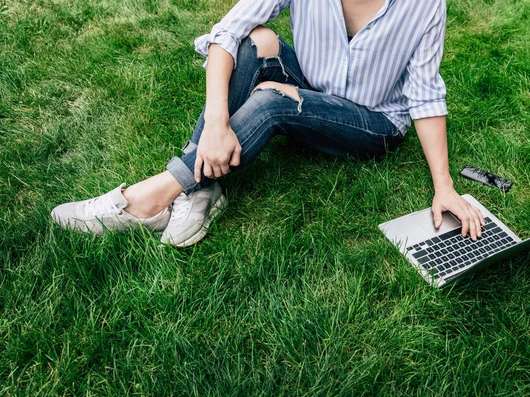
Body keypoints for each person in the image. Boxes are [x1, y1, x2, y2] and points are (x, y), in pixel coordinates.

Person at [51, 0, 485, 247]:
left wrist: (444, 186)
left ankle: (147, 199)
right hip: (311, 81)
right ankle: (200, 189)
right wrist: (217, 123)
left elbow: (425, 94)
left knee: (271, 100)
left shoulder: (426, 5)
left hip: (372, 122)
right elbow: (226, 35)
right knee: (256, 39)